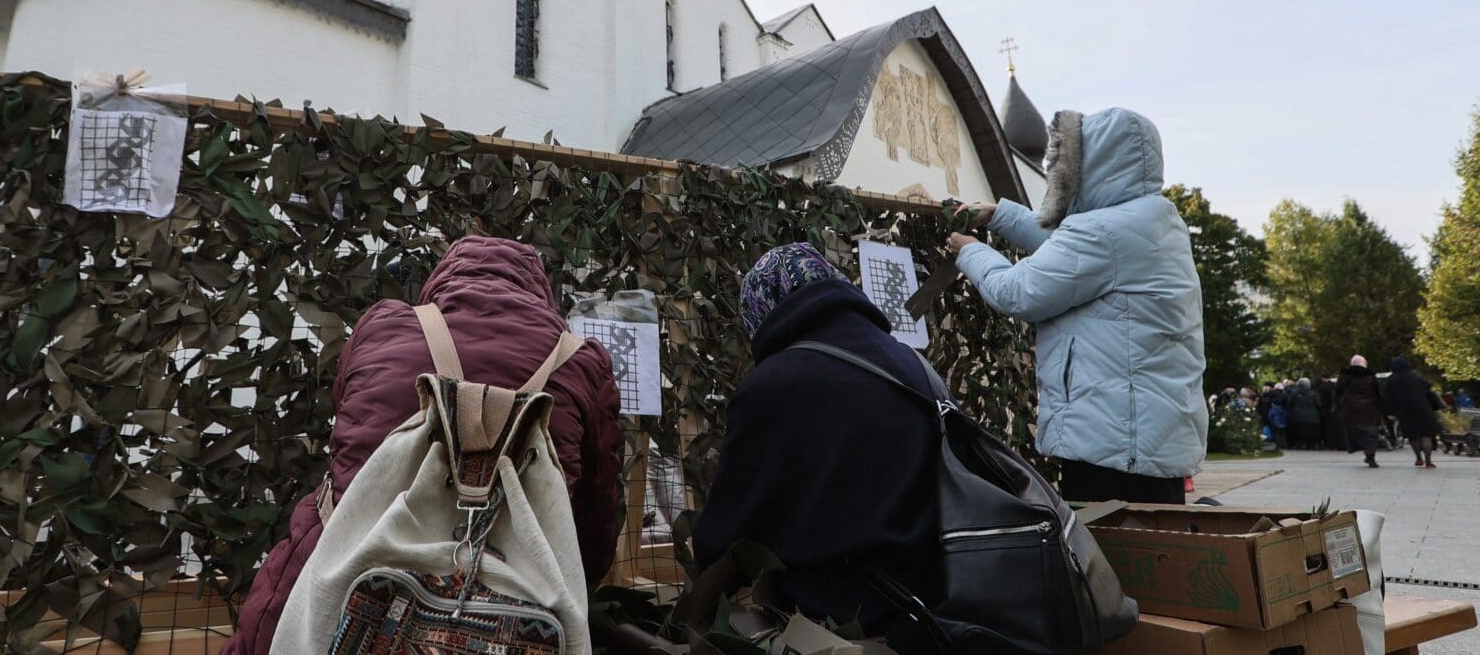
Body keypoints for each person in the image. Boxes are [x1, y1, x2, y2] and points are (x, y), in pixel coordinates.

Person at [221, 237, 624, 655]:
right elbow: (593, 531)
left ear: (441, 278)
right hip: (517, 591)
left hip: (359, 559)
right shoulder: (581, 362)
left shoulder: (384, 326)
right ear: (541, 292)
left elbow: (344, 445)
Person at [949, 108, 1204, 504]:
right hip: (1145, 438)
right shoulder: (1154, 221)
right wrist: (1002, 216)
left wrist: (971, 252)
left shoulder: (1103, 232)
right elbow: (1068, 254)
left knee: (1111, 557)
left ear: (1093, 164)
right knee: (1155, 549)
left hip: (1111, 443)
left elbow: (1018, 291)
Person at [695, 244, 943, 652]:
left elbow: (725, 536)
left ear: (764, 312)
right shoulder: (913, 366)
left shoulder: (772, 387)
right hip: (930, 615)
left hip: (828, 625)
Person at [1382, 355, 1442, 468]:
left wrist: (1390, 412)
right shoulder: (1416, 375)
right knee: (1426, 434)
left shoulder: (1391, 379)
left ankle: (1418, 458)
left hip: (1405, 411)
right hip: (1423, 408)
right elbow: (1428, 385)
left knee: (1412, 435)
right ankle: (1428, 462)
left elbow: (1388, 397)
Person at [1336, 355, 1385, 468]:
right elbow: (1377, 392)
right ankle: (1370, 455)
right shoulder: (1370, 376)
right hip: (1369, 407)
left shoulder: (1345, 375)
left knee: (1355, 431)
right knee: (1371, 432)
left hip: (1350, 408)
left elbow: (1338, 391)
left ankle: (1360, 449)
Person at [1286, 377, 1323, 450]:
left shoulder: (1294, 392)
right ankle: (1311, 444)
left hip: (1298, 416)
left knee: (1299, 431)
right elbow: (1319, 404)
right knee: (1312, 431)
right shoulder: (1313, 393)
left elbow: (1289, 403)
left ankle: (1301, 443)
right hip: (1313, 416)